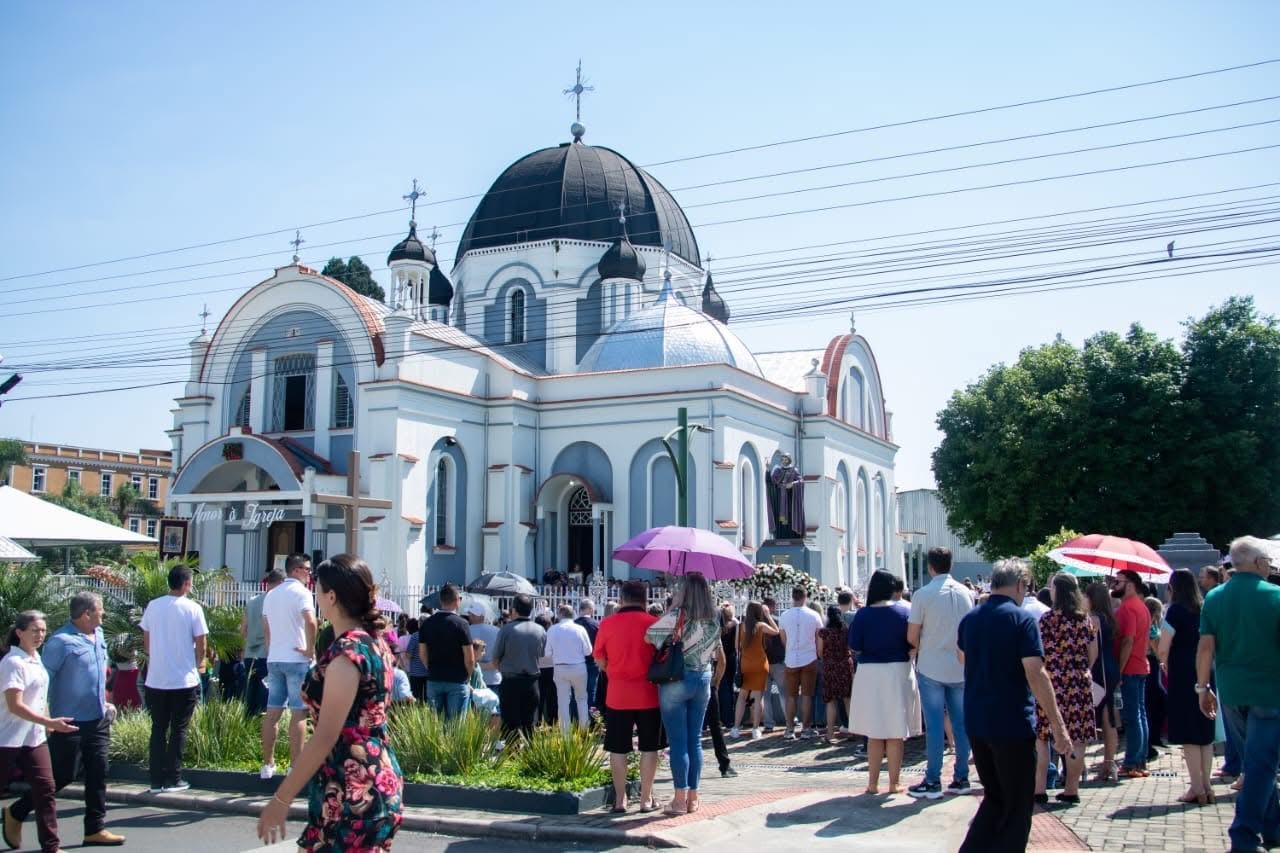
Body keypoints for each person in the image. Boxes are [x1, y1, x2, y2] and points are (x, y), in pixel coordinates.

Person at [256, 554, 402, 851]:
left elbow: (325, 735)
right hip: (371, 773)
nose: (316, 596)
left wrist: (281, 799)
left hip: (351, 783)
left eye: (318, 589)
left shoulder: (347, 654)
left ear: (331, 596)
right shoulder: (376, 644)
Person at [957, 559, 1072, 853]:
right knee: (1018, 805)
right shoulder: (1021, 620)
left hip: (977, 721)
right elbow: (1035, 671)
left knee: (995, 797)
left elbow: (963, 659)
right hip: (1011, 722)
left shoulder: (970, 618)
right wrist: (1058, 726)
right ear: (1021, 585)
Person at [6, 593, 124, 847]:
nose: (103, 615)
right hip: (68, 720)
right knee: (61, 775)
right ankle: (16, 811)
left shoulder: (98, 635)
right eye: (100, 611)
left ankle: (95, 828)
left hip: (97, 717)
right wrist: (45, 718)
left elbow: (97, 673)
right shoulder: (61, 642)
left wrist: (104, 701)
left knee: (98, 772)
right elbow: (41, 680)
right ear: (86, 615)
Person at [1196, 536, 1280, 852]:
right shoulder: (1275, 596)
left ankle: (1273, 828)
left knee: (1256, 762)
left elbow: (1205, 647)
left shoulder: (1215, 598)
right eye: (1269, 562)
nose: (1271, 567)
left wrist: (1202, 688)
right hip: (1270, 692)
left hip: (1231, 692)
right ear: (1258, 563)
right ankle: (1243, 836)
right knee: (1261, 765)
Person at [0, 611, 77, 853]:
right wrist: (49, 721)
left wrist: (46, 723)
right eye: (35, 630)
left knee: (45, 789)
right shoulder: (13, 663)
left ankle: (51, 847)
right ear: (19, 632)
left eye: (43, 631)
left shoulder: (37, 659)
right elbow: (15, 705)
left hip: (34, 738)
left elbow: (40, 696)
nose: (40, 635)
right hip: (7, 738)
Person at [646, 572, 720, 815]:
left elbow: (649, 637)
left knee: (678, 742)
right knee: (695, 740)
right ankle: (693, 798)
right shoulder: (714, 617)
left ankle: (678, 799)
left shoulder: (677, 615)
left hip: (678, 678)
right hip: (703, 677)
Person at [906, 546, 974, 799]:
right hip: (960, 665)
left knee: (934, 725)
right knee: (961, 724)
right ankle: (961, 776)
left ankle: (933, 779)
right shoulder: (967, 593)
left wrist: (921, 644)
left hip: (931, 664)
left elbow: (912, 635)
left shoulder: (923, 594)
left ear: (930, 566)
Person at [849, 570, 921, 794]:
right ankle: (894, 782)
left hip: (870, 672)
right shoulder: (905, 611)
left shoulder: (862, 614)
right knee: (895, 730)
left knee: (874, 730)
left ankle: (872, 783)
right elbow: (914, 641)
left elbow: (854, 644)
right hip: (898, 670)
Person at [140, 563, 208, 793]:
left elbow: (146, 639)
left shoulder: (153, 606)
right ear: (187, 584)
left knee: (158, 728)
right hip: (183, 678)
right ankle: (174, 777)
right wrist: (200, 662)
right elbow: (201, 641)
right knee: (179, 729)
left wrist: (157, 656)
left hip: (156, 678)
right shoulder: (192, 608)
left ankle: (156, 779)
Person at [594, 581, 660, 814]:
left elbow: (599, 659)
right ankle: (645, 799)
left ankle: (620, 800)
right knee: (649, 748)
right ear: (645, 600)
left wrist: (614, 669)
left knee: (618, 749)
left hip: (618, 694)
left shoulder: (608, 623)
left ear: (621, 599)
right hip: (648, 694)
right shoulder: (653, 623)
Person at [1032, 573, 1097, 807]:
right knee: (1077, 738)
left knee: (1043, 737)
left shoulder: (1047, 619)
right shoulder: (1084, 619)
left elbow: (1038, 653)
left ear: (1056, 591)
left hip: (1051, 682)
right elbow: (1093, 652)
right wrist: (1080, 669)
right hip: (1078, 682)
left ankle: (1039, 788)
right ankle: (1071, 788)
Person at [1157, 568, 1216, 805]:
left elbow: (1163, 646)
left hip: (1181, 669)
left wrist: (1164, 662)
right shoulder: (1204, 608)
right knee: (1204, 728)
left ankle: (1196, 787)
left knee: (1188, 731)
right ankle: (1208, 785)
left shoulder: (1174, 611)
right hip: (1205, 666)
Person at [261, 554, 317, 779]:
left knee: (272, 712)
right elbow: (311, 622)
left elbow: (266, 629)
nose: (309, 574)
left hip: (275, 657)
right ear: (295, 570)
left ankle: (268, 765)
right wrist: (310, 650)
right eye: (306, 569)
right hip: (296, 658)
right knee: (299, 713)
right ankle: (295, 766)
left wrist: (272, 649)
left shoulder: (271, 594)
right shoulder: (302, 593)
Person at [1113, 569, 1153, 777]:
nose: (1113, 585)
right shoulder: (1142, 606)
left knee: (1133, 717)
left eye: (1117, 582)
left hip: (1130, 668)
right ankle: (1139, 760)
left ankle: (1132, 762)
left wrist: (1118, 670)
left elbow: (1127, 640)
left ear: (1130, 585)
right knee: (1139, 715)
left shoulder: (1128, 608)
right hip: (1139, 666)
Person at [491, 594, 546, 740]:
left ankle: (511, 758)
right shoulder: (540, 630)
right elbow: (541, 654)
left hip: (511, 681)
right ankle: (530, 757)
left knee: (510, 725)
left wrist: (503, 669)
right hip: (532, 682)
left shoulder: (506, 630)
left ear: (514, 610)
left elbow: (495, 659)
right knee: (530, 725)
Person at [417, 583, 474, 719]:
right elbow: (469, 657)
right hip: (457, 679)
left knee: (435, 726)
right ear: (457, 601)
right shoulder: (462, 624)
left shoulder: (427, 623)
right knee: (455, 727)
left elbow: (422, 653)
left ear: (441, 601)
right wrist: (469, 675)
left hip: (434, 677)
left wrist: (430, 667)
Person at [1086, 581, 1121, 782]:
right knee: (1111, 715)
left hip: (1100, 670)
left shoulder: (1094, 619)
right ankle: (1110, 761)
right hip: (1111, 667)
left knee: (1104, 716)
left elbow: (1093, 649)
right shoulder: (1110, 618)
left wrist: (1088, 670)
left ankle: (1109, 764)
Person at [778, 586, 824, 739]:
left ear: (792, 597)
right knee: (807, 695)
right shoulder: (814, 615)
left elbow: (783, 639)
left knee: (791, 695)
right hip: (809, 657)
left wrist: (790, 648)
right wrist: (819, 653)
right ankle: (806, 728)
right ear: (805, 597)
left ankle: (789, 728)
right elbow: (819, 637)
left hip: (791, 658)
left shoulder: (784, 615)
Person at [730, 601, 779, 739]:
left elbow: (736, 647)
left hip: (746, 664)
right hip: (760, 663)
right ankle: (756, 729)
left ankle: (735, 728)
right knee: (758, 697)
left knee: (742, 696)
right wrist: (768, 616)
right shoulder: (761, 626)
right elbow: (776, 631)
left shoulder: (741, 627)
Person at [545, 604, 593, 731]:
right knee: (582, 699)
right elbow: (588, 651)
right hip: (579, 667)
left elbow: (547, 653)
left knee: (563, 702)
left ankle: (565, 735)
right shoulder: (580, 629)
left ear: (560, 615)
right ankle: (584, 731)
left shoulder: (552, 629)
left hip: (560, 668)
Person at [240, 570, 280, 718]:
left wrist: (243, 649)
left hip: (250, 654)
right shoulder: (276, 603)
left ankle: (247, 726)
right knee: (265, 698)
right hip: (267, 654)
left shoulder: (252, 601)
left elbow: (243, 629)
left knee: (250, 697)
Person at [817, 605, 852, 744]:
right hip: (844, 665)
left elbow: (819, 651)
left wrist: (827, 658)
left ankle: (830, 733)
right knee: (847, 699)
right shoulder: (846, 631)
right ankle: (852, 730)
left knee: (830, 700)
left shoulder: (823, 632)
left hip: (830, 666)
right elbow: (851, 647)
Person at [1144, 595, 1169, 759]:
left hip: (1150, 664)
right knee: (1159, 700)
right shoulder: (1151, 627)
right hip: (1151, 663)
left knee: (1153, 703)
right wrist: (1164, 663)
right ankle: (1152, 739)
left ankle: (1154, 738)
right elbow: (1156, 648)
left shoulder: (1147, 624)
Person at [467, 603, 502, 694]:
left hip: (472, 678)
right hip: (493, 677)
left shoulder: (465, 631)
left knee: (473, 707)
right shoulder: (497, 631)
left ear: (473, 615)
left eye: (470, 614)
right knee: (493, 706)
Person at [575, 599, 601, 719]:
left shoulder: (574, 624)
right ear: (591, 609)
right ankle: (589, 720)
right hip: (592, 662)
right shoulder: (596, 624)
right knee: (591, 692)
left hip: (576, 662)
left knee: (576, 693)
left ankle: (575, 719)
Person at [717, 603, 738, 727]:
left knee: (722, 687)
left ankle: (725, 717)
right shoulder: (735, 625)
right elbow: (736, 645)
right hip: (731, 656)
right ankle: (730, 718)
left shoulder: (719, 626)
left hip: (721, 656)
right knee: (730, 686)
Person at [467, 640, 500, 717]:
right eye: (481, 650)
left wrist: (486, 692)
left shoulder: (477, 665)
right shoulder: (469, 666)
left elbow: (481, 680)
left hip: (479, 699)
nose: (484, 653)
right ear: (474, 651)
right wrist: (475, 693)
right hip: (471, 699)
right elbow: (466, 683)